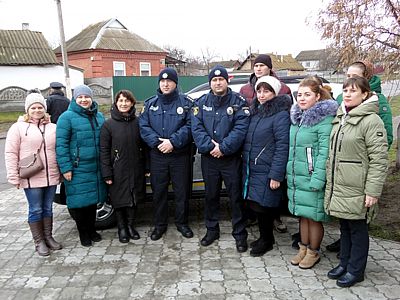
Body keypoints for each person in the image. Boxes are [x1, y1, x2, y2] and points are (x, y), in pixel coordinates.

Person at [324, 76, 388, 287]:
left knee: (358, 229)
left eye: (353, 91)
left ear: (365, 94)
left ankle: (356, 270)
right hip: (341, 185)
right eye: (346, 90)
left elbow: (379, 160)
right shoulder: (342, 116)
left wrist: (373, 191)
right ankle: (344, 263)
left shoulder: (371, 120)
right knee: (344, 227)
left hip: (358, 188)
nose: (348, 94)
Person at [191, 65, 250, 252]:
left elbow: (241, 128)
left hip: (231, 158)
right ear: (210, 83)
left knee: (235, 197)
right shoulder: (200, 103)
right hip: (210, 159)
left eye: (221, 79)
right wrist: (210, 147)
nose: (218, 82)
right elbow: (197, 127)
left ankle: (240, 234)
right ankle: (211, 230)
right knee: (211, 196)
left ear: (227, 81)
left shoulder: (239, 102)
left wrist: (223, 148)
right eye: (214, 80)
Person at [286, 77, 338, 269]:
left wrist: (318, 178)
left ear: (317, 96)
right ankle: (303, 248)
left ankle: (313, 252)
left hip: (311, 176)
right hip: (297, 176)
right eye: (299, 94)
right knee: (303, 215)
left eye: (307, 94)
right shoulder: (297, 119)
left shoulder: (324, 120)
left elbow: (325, 152)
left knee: (315, 216)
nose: (302, 98)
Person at [139, 68, 194, 241]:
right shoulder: (150, 104)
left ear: (175, 83)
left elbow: (191, 126)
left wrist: (173, 142)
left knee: (182, 192)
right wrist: (158, 142)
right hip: (158, 156)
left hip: (180, 156)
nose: (165, 84)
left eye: (169, 81)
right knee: (159, 192)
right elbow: (143, 127)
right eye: (162, 81)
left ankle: (182, 223)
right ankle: (160, 225)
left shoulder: (186, 103)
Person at [239, 54, 292, 233]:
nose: (261, 95)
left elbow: (282, 146)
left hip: (267, 168)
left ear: (275, 93)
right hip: (254, 167)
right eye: (259, 91)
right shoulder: (255, 111)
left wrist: (276, 174)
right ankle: (264, 238)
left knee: (266, 205)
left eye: (266, 91)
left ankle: (267, 239)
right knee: (258, 204)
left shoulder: (280, 114)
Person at [5, 91, 62, 256]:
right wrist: (13, 176)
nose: (37, 110)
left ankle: (48, 237)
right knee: (36, 209)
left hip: (50, 175)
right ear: (27, 110)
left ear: (44, 109)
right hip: (31, 176)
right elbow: (10, 153)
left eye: (40, 107)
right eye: (33, 107)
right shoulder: (18, 128)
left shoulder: (53, 127)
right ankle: (39, 241)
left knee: (48, 208)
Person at [56, 84, 107, 247]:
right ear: (75, 98)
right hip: (77, 168)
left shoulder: (98, 116)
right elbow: (61, 145)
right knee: (79, 204)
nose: (84, 100)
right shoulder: (66, 117)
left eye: (87, 96)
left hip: (96, 166)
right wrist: (66, 168)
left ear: (91, 98)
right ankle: (83, 233)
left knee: (93, 201)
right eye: (80, 97)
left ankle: (92, 230)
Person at [100, 90, 146, 243]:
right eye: (120, 101)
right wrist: (107, 172)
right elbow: (104, 150)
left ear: (132, 103)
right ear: (116, 103)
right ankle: (122, 228)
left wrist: (146, 167)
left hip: (135, 167)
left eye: (127, 101)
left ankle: (131, 226)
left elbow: (145, 146)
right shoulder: (108, 124)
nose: (124, 104)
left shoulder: (138, 122)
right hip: (117, 169)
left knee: (134, 199)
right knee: (119, 200)